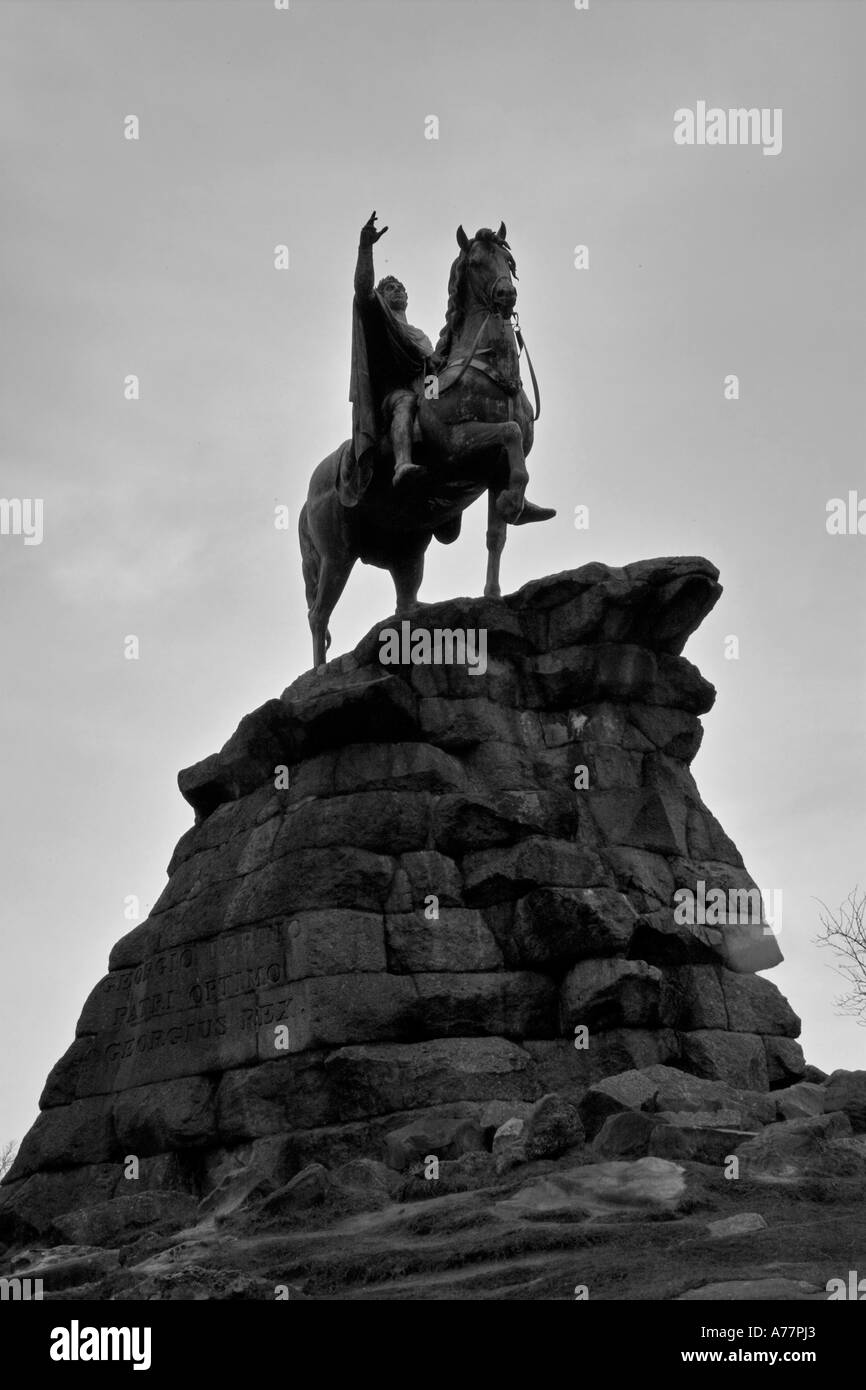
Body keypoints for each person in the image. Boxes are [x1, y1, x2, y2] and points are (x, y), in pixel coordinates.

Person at [350, 211, 433, 487]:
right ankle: (402, 464)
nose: (397, 290)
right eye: (390, 288)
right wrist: (366, 249)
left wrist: (434, 399)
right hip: (388, 399)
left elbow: (431, 371)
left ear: (407, 297)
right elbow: (363, 290)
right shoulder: (379, 320)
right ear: (383, 297)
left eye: (400, 288)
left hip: (422, 394)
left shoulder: (420, 336)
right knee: (404, 401)